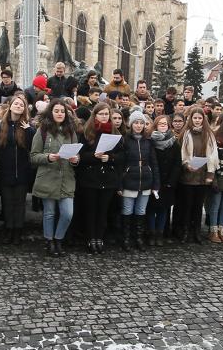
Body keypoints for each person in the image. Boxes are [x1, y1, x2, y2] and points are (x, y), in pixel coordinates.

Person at [31, 100, 80, 256]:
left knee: (67, 213)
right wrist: (48, 157)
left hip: (66, 177)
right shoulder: (42, 130)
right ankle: (49, 241)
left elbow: (76, 153)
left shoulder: (71, 131)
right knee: (49, 213)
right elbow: (33, 156)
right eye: (56, 110)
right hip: (48, 177)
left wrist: (75, 159)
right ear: (51, 112)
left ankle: (59, 238)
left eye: (62, 111)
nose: (60, 113)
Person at [76, 102, 122, 253]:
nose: (104, 117)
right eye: (101, 114)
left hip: (108, 179)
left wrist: (110, 158)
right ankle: (90, 238)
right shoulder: (86, 132)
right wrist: (94, 157)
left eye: (106, 114)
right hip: (90, 178)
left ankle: (99, 238)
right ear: (95, 115)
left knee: (103, 211)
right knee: (91, 210)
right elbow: (80, 156)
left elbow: (123, 155)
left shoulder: (115, 133)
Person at [0, 95, 34, 245]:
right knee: (7, 202)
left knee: (19, 203)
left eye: (21, 105)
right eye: (16, 104)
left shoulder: (27, 126)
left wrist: (29, 130)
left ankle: (18, 231)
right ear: (10, 106)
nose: (18, 106)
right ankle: (8, 229)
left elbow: (32, 147)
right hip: (5, 171)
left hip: (22, 172)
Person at [118, 110, 159, 251]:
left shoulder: (148, 140)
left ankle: (139, 238)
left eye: (141, 123)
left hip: (146, 179)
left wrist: (156, 183)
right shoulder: (125, 140)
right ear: (131, 124)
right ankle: (126, 238)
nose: (139, 125)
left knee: (141, 210)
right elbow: (121, 164)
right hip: (130, 179)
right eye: (136, 122)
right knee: (127, 210)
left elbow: (154, 163)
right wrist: (120, 184)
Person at [177, 107, 217, 244]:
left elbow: (213, 155)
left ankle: (197, 232)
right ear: (191, 119)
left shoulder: (209, 134)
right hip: (189, 175)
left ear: (203, 119)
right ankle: (185, 231)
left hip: (203, 175)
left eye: (200, 118)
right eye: (195, 118)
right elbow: (182, 153)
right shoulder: (186, 133)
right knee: (187, 205)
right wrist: (187, 164)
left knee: (198, 206)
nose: (197, 120)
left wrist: (210, 174)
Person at [147, 114, 181, 246]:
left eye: (165, 124)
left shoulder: (174, 143)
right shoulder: (150, 142)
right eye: (160, 123)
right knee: (151, 209)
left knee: (164, 209)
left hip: (168, 182)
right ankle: (151, 233)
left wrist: (171, 181)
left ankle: (160, 234)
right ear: (155, 125)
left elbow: (177, 164)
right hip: (153, 181)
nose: (163, 126)